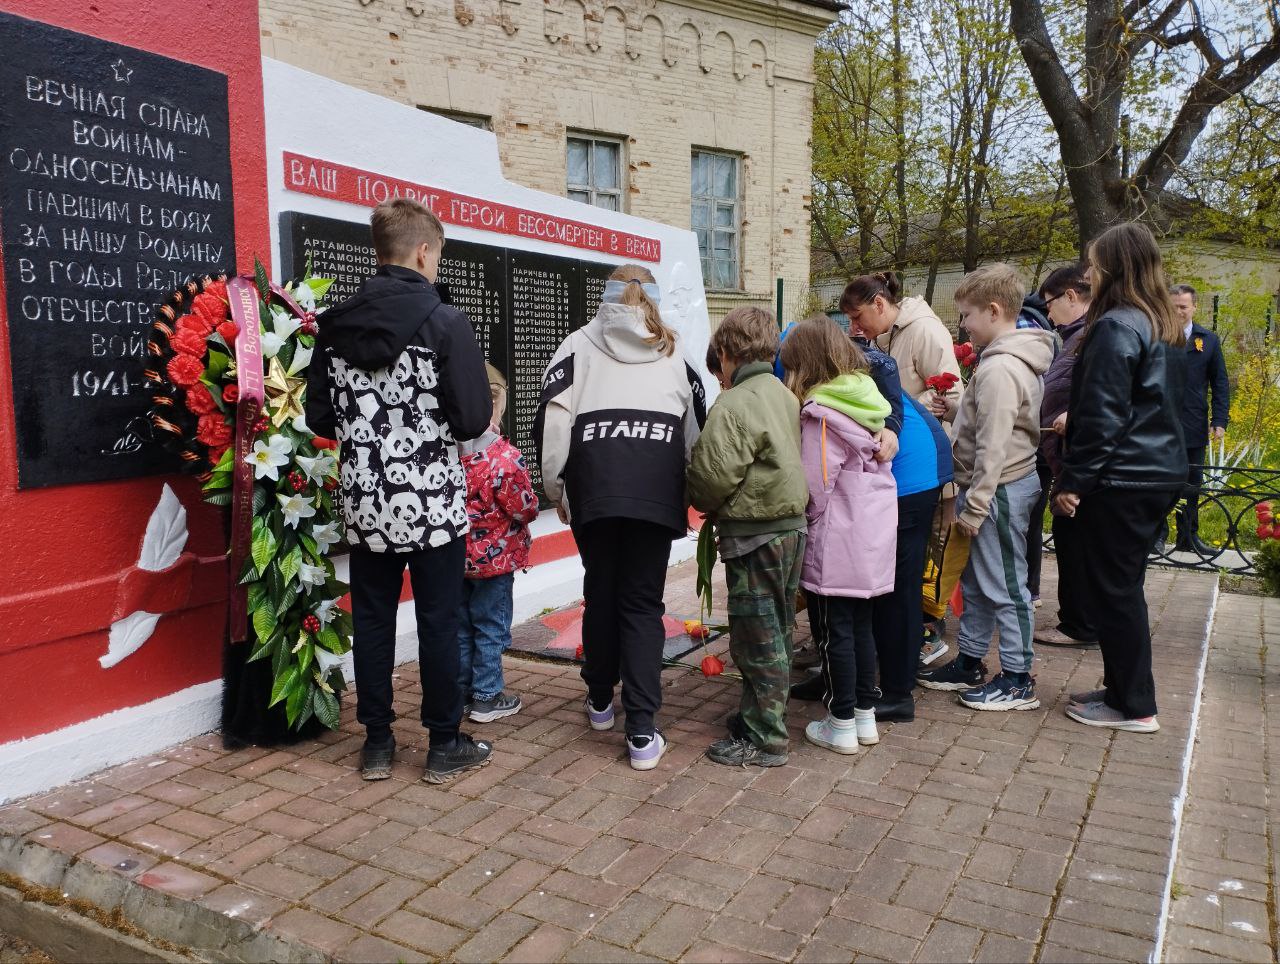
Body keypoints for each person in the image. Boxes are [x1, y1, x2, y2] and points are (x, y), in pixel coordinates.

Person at [306, 197, 494, 784]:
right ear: (421, 250)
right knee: (439, 619)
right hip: (433, 501)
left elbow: (319, 419)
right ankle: (443, 744)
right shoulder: (445, 323)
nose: (437, 266)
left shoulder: (335, 327)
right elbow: (470, 419)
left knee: (373, 618)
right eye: (438, 255)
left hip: (366, 500)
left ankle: (379, 744)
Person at [535, 264, 706, 771]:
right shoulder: (677, 353)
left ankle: (599, 701)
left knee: (601, 593)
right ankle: (643, 732)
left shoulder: (576, 346)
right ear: (653, 296)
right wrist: (690, 489)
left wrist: (557, 489)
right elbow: (696, 430)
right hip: (655, 494)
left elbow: (554, 423)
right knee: (641, 605)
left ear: (606, 296)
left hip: (595, 491)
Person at [1056, 223, 1188, 733]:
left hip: (1124, 478)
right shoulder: (1159, 323)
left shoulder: (1116, 327)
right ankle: (1121, 689)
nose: (1087, 273)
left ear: (1114, 266)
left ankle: (1134, 705)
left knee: (1115, 591)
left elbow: (1104, 415)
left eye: (1093, 263)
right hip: (1153, 473)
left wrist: (1074, 480)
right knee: (1121, 587)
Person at [917, 264, 1054, 710]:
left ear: (994, 311)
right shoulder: (998, 363)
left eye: (967, 315)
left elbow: (995, 445)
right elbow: (992, 423)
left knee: (1007, 587)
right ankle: (971, 659)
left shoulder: (1000, 369)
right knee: (976, 584)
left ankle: (1017, 678)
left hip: (998, 491)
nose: (963, 324)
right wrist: (960, 408)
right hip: (990, 489)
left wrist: (975, 507)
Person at [688, 306, 808, 768]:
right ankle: (760, 716)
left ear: (725, 352)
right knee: (776, 628)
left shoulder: (735, 403)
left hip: (755, 533)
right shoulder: (781, 392)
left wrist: (694, 489)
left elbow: (712, 479)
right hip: (789, 529)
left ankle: (766, 738)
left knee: (756, 638)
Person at [780, 316, 896, 753]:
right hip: (869, 538)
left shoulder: (820, 415)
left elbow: (815, 485)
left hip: (836, 541)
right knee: (862, 628)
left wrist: (802, 520)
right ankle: (864, 715)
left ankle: (840, 720)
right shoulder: (867, 402)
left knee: (833, 633)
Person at [840, 274, 963, 669]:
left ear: (879, 303)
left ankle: (925, 636)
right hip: (894, 465)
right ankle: (896, 645)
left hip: (921, 463)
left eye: (858, 318)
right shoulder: (878, 339)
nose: (855, 329)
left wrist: (900, 407)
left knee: (918, 564)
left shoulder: (925, 330)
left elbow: (952, 395)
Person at [456, 364, 538, 724]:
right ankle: (487, 696)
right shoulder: (504, 458)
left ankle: (460, 694)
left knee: (461, 628)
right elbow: (524, 507)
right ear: (499, 404)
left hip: (456, 558)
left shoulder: (447, 454)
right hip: (497, 562)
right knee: (490, 627)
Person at [1033, 265, 1099, 649]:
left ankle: (1080, 624)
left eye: (1050, 304)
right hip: (1066, 455)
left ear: (1071, 296)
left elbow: (1100, 391)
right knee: (1069, 537)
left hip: (1079, 458)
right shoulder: (1075, 336)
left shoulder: (1093, 334)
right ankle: (1077, 620)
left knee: (1076, 540)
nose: (1049, 314)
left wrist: (1075, 415)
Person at [1171, 284, 1230, 554]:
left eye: (1183, 306)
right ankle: (1157, 535)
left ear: (1195, 307)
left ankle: (1188, 537)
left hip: (1194, 423)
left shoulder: (1208, 341)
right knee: (1159, 481)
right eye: (1174, 306)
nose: (1178, 311)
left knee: (1192, 484)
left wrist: (1219, 420)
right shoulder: (1156, 336)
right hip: (1161, 424)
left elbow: (1220, 384)